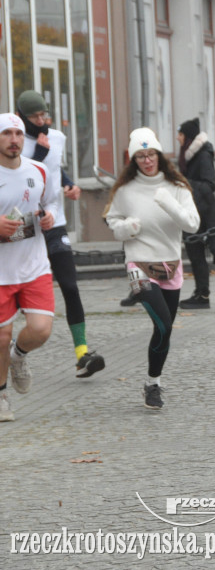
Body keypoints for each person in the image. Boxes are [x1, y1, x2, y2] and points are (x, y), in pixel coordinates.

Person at [103, 128, 199, 409]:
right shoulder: (125, 190)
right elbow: (113, 222)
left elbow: (192, 225)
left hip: (170, 264)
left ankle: (152, 383)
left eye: (151, 154)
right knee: (164, 323)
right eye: (140, 156)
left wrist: (168, 203)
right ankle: (139, 291)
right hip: (138, 263)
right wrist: (126, 228)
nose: (147, 160)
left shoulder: (177, 188)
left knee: (164, 332)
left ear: (159, 155)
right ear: (134, 159)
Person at [15, 90, 105, 377]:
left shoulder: (57, 138)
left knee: (70, 285)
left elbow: (54, 170)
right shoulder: (13, 141)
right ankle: (16, 351)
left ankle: (82, 352)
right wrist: (38, 152)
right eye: (35, 117)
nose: (41, 121)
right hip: (24, 227)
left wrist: (69, 185)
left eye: (45, 115)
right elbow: (22, 173)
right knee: (16, 292)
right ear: (21, 118)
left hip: (54, 223)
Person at [0, 113, 59, 422]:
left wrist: (49, 215)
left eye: (18, 134)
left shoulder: (39, 169)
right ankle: (1, 396)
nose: (14, 140)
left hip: (34, 264)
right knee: (1, 336)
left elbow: (52, 202)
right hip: (0, 272)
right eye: (7, 133)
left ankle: (19, 358)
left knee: (40, 329)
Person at [177, 118, 215, 310]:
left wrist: (185, 185)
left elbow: (209, 184)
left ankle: (203, 295)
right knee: (195, 255)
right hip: (193, 209)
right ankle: (200, 293)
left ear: (187, 137)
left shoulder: (202, 155)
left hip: (203, 212)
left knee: (197, 255)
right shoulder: (189, 155)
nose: (177, 138)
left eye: (180, 135)